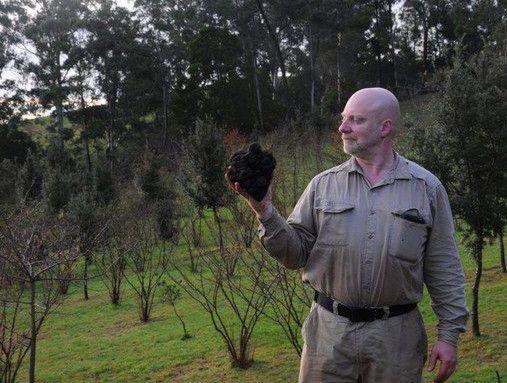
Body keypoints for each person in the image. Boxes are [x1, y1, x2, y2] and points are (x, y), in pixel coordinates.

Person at [230, 87, 469, 383]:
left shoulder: (426, 189)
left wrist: (448, 336)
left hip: (396, 341)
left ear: (385, 127)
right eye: (344, 118)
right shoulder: (322, 186)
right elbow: (295, 255)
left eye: (355, 120)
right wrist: (265, 211)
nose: (342, 127)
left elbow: (445, 267)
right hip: (328, 337)